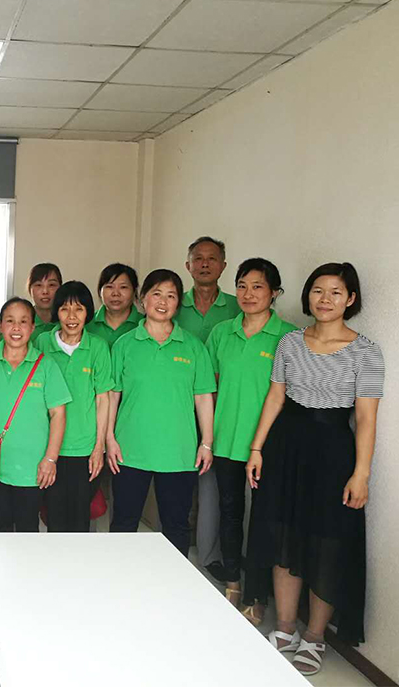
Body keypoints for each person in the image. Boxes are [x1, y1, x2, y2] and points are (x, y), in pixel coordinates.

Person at [244, 262, 383, 676]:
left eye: (336, 292)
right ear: (307, 296)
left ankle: (315, 636)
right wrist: (257, 448)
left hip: (333, 453)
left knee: (327, 542)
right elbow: (275, 397)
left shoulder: (366, 351)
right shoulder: (290, 342)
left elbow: (366, 418)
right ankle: (285, 628)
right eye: (318, 291)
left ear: (351, 299)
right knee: (282, 530)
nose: (325, 299)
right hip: (285, 446)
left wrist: (361, 473)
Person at [204, 258, 296, 622]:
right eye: (242, 285)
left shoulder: (289, 336)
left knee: (264, 521)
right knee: (230, 513)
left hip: (269, 445)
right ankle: (233, 582)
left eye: (258, 286)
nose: (248, 293)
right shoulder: (221, 333)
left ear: (275, 293)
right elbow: (209, 388)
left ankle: (257, 594)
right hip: (227, 438)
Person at [105, 269, 215, 556]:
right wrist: (109, 438)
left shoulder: (193, 347)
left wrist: (206, 442)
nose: (163, 302)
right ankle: (119, 576)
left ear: (178, 303)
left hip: (178, 452)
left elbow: (203, 397)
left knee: (176, 525)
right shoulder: (125, 344)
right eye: (156, 294)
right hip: (130, 450)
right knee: (124, 522)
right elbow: (112, 395)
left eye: (171, 296)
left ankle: (174, 581)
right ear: (142, 299)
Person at [0, 298, 70, 533]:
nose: (16, 328)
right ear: (0, 326)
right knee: (0, 525)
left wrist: (50, 459)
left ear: (32, 327)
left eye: (23, 322)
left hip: (32, 465)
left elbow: (58, 414)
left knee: (27, 527)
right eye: (10, 321)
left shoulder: (46, 365)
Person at [178, 236, 240, 580]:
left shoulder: (236, 307)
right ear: (187, 265)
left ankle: (209, 554)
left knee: (210, 481)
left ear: (223, 266)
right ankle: (172, 543)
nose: (204, 264)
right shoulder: (174, 303)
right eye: (198, 258)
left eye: (212, 258)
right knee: (176, 477)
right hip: (176, 404)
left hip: (217, 406)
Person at [34, 282, 112, 532]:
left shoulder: (97, 347)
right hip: (49, 447)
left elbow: (103, 399)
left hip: (84, 448)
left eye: (78, 309)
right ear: (56, 312)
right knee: (53, 517)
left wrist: (99, 447)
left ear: (87, 312)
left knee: (80, 520)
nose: (71, 317)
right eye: (65, 309)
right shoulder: (43, 342)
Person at [88, 263, 143, 347]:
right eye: (109, 287)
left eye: (123, 287)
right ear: (100, 291)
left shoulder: (144, 324)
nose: (116, 293)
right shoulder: (86, 324)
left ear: (134, 291)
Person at [27, 262, 62, 342]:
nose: (45, 291)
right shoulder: (21, 322)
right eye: (38, 285)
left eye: (51, 285)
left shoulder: (69, 321)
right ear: (30, 289)